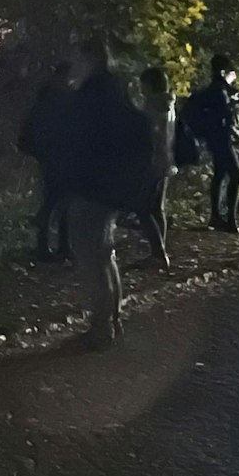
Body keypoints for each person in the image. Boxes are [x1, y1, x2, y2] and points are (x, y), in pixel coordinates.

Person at [60, 39, 153, 348]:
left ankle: (101, 328)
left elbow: (78, 141)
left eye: (78, 58)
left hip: (92, 186)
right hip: (112, 187)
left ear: (90, 60)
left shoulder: (92, 96)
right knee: (104, 255)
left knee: (93, 259)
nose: (73, 64)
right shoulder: (117, 91)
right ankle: (112, 319)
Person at [18, 62, 75, 260]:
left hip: (51, 155)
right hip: (58, 155)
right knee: (59, 199)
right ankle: (52, 244)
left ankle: (54, 245)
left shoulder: (47, 97)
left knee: (59, 199)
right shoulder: (59, 98)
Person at [187, 54, 239, 232]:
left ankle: (216, 217)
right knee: (236, 175)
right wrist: (235, 103)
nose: (234, 76)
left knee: (220, 174)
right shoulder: (219, 90)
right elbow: (222, 114)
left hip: (214, 138)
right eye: (231, 72)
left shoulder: (216, 89)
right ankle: (230, 219)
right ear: (223, 72)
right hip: (221, 138)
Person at [137, 67, 177, 267]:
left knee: (143, 207)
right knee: (157, 208)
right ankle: (160, 250)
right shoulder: (169, 104)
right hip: (167, 159)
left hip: (152, 161)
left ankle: (158, 252)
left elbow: (147, 134)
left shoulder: (152, 106)